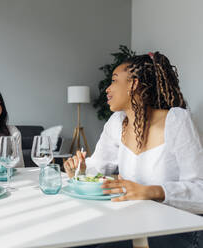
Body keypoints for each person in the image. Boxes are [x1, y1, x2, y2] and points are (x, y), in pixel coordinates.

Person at [64, 52, 203, 248]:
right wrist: (81, 169)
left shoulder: (176, 120)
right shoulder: (117, 122)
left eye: (113, 81)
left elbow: (200, 190)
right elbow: (98, 166)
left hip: (177, 229)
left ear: (133, 84)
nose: (107, 89)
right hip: (133, 222)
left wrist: (151, 192)